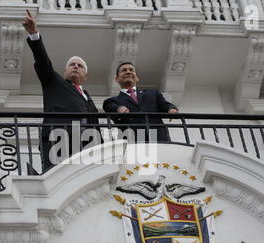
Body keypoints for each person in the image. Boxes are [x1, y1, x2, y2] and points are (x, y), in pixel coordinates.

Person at [22, 9, 100, 172]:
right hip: (59, 141)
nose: (75, 67)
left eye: (80, 66)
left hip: (87, 147)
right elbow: (43, 62)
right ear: (65, 72)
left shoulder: (87, 97)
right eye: (72, 65)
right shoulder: (54, 82)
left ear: (85, 75)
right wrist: (34, 35)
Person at [103, 62, 179, 143]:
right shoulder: (112, 101)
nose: (128, 72)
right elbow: (110, 107)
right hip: (133, 142)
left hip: (158, 138)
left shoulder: (153, 93)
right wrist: (119, 109)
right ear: (116, 79)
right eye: (124, 70)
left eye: (131, 70)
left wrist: (171, 109)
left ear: (137, 78)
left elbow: (164, 104)